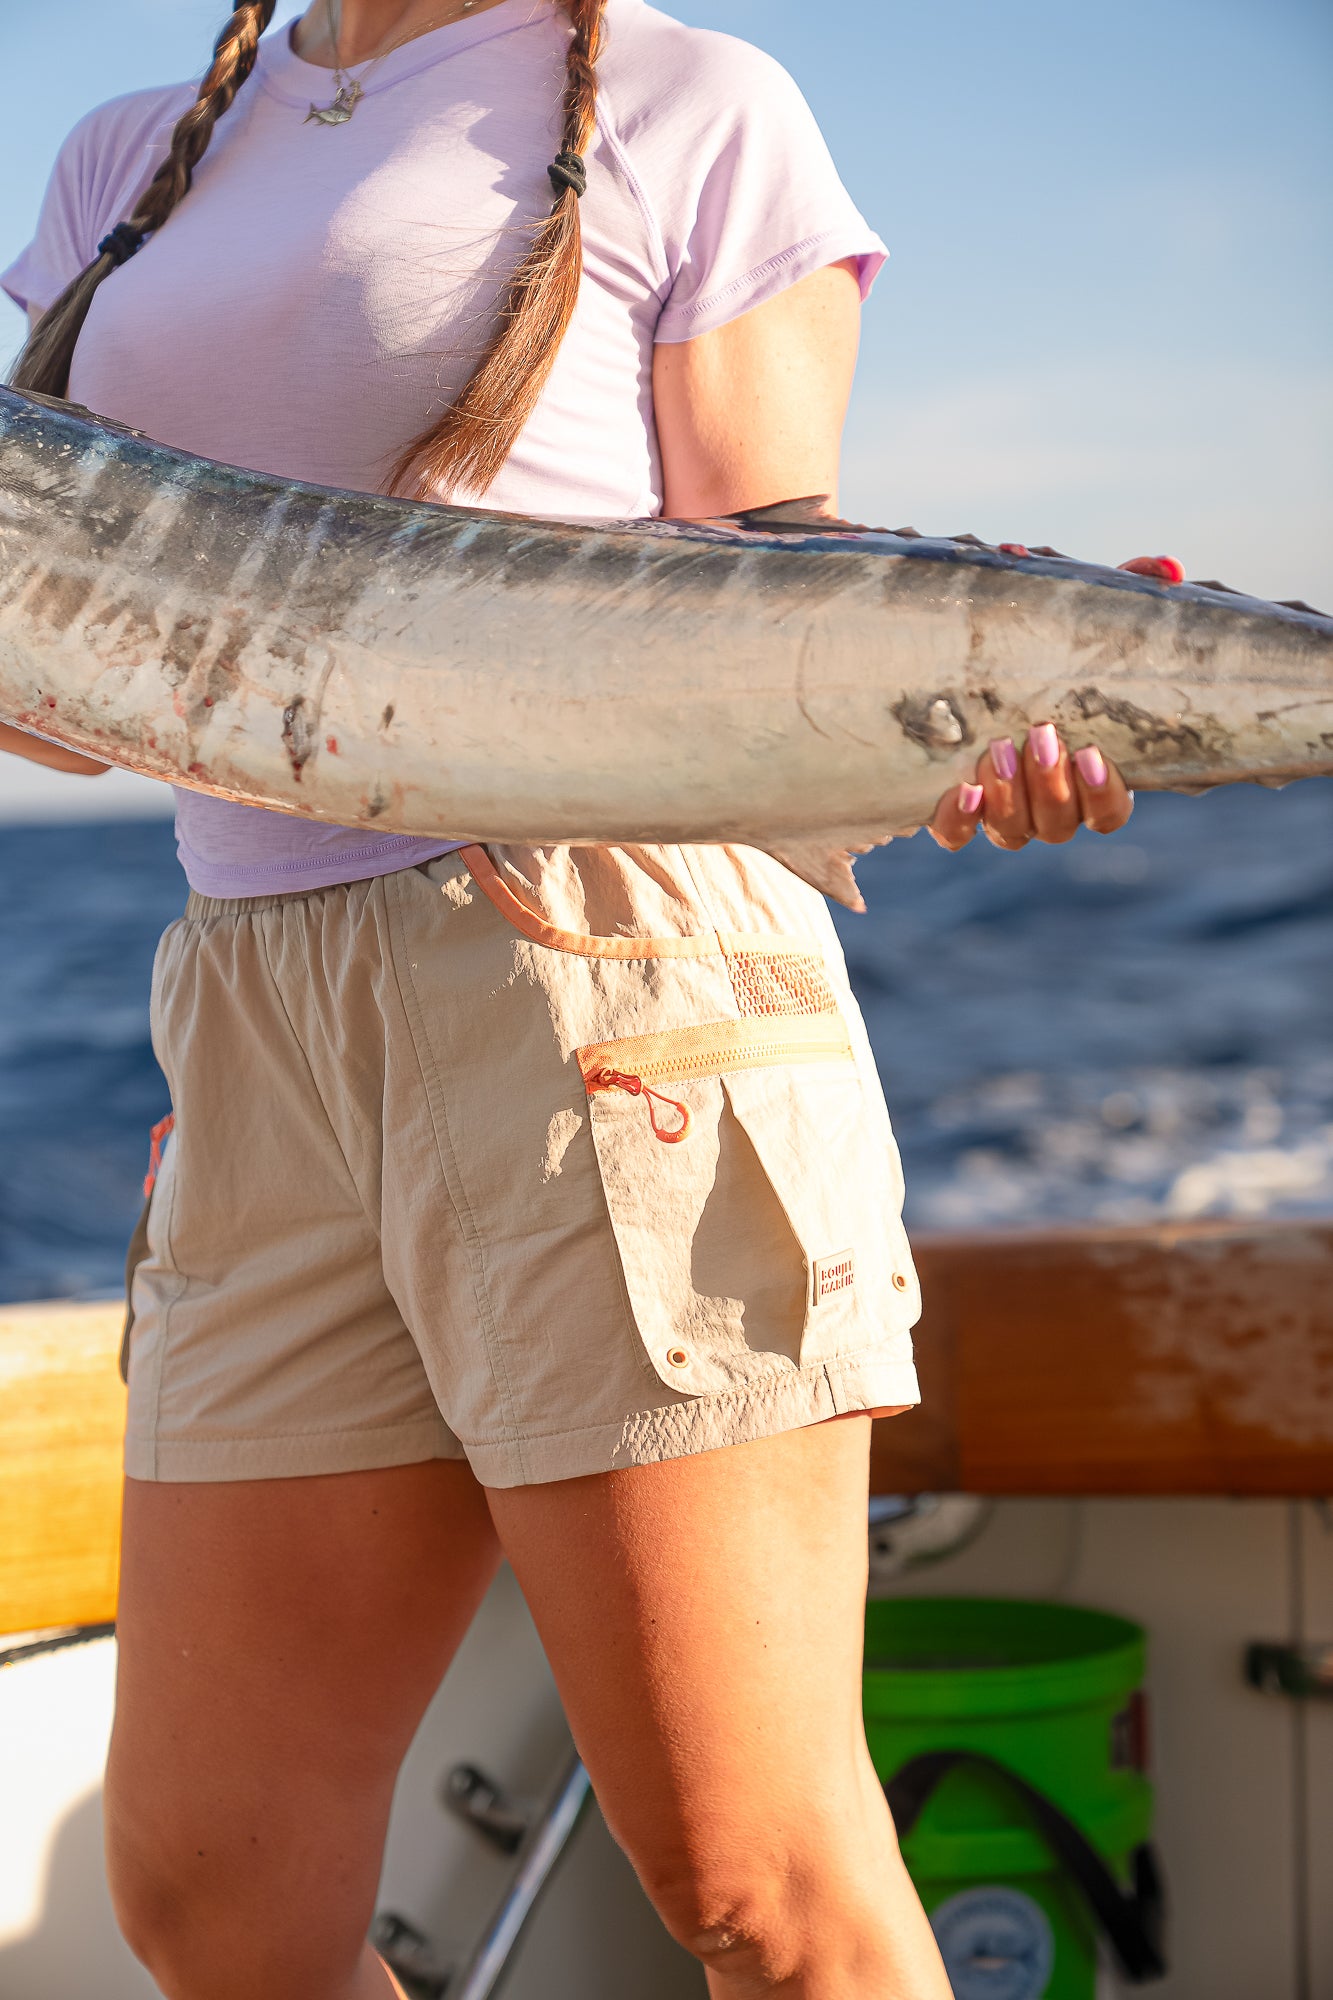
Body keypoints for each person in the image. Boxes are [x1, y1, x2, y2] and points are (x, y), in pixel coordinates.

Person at [2, 4, 1134, 1994]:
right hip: (252, 1016)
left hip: (613, 974)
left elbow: (764, 568)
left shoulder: (696, 101)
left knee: (757, 1886)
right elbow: (58, 680)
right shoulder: (124, 159)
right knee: (214, 1905)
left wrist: (1007, 688)